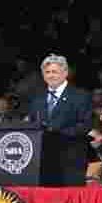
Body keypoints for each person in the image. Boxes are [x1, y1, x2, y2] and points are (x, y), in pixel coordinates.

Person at [27, 54, 92, 186]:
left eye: (55, 71)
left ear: (65, 73)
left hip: (70, 160)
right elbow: (33, 125)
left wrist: (55, 132)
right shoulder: (37, 98)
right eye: (47, 72)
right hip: (44, 162)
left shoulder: (80, 96)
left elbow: (86, 125)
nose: (51, 75)